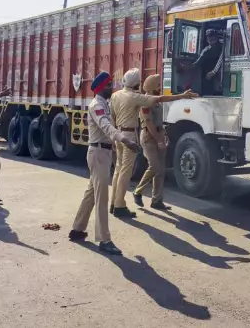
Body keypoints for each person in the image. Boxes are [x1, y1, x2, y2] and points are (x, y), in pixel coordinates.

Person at [110, 68, 197, 218]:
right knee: (126, 171)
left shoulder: (115, 95)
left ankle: (113, 203)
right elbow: (160, 99)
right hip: (129, 135)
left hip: (118, 133)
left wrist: (112, 136)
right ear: (136, 83)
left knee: (118, 169)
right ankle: (120, 205)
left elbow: (111, 117)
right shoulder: (136, 97)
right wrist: (182, 96)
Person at [69, 72, 140, 256]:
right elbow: (107, 127)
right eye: (109, 86)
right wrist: (126, 140)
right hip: (98, 153)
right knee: (102, 198)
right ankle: (104, 239)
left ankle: (77, 228)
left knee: (91, 193)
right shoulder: (97, 106)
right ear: (102, 88)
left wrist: (116, 147)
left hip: (103, 152)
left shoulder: (104, 104)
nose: (112, 88)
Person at [132, 75, 170, 210]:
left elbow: (159, 121)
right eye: (158, 85)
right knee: (154, 166)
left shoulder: (156, 100)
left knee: (161, 171)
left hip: (159, 134)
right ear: (153, 86)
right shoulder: (145, 101)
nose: (161, 87)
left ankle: (157, 200)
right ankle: (138, 191)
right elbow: (148, 122)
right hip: (149, 137)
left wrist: (163, 135)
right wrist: (159, 140)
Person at [191, 29, 223, 96]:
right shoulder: (206, 51)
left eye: (212, 36)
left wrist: (214, 72)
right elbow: (198, 63)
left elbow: (221, 58)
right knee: (208, 92)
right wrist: (187, 67)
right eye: (209, 37)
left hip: (221, 73)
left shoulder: (224, 46)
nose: (210, 38)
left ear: (216, 37)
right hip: (208, 75)